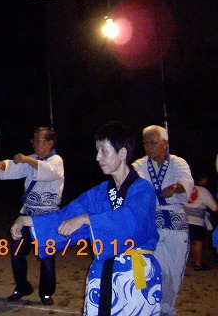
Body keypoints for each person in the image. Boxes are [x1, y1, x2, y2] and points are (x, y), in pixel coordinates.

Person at [11, 121, 161, 315]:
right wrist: (27, 221)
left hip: (134, 277)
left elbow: (132, 222)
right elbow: (67, 216)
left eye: (104, 151)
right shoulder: (100, 192)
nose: (98, 157)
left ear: (122, 153)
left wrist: (87, 220)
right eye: (97, 151)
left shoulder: (143, 190)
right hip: (102, 270)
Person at [0, 126, 64, 305]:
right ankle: (22, 286)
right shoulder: (32, 159)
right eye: (34, 140)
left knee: (47, 257)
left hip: (47, 216)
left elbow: (48, 171)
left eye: (38, 140)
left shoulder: (56, 160)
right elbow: (16, 167)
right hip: (28, 213)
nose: (35, 144)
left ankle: (46, 293)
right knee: (16, 252)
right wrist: (2, 165)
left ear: (50, 143)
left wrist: (26, 159)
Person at [133, 124, 194, 316]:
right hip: (152, 223)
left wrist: (176, 188)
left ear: (164, 144)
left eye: (153, 143)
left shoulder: (178, 163)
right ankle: (151, 307)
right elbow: (133, 185)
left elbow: (186, 182)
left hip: (175, 223)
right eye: (145, 143)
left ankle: (167, 308)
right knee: (152, 269)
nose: (148, 147)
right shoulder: (138, 165)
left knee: (174, 272)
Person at [184, 168, 217, 271]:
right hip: (197, 221)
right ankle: (197, 264)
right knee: (197, 242)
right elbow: (214, 207)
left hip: (183, 219)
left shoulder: (185, 189)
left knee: (187, 242)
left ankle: (185, 263)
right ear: (202, 179)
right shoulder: (203, 191)